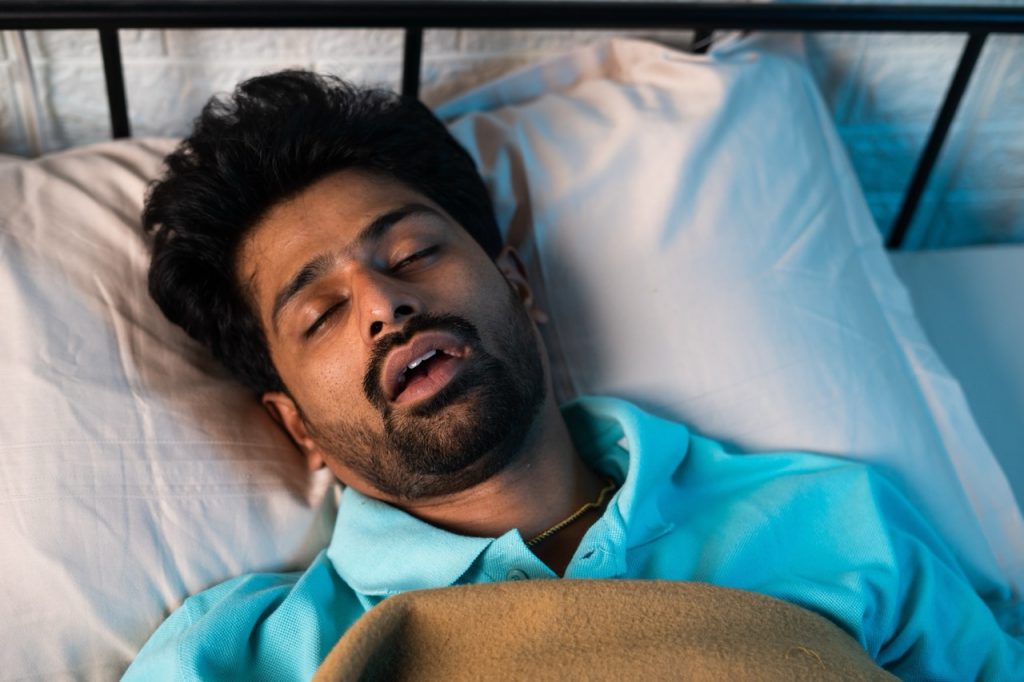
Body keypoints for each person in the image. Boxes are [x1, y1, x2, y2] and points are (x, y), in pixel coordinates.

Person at [125, 70, 1022, 680]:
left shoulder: (834, 522)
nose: (383, 306)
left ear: (517, 285)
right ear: (297, 428)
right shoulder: (241, 652)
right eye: (320, 313)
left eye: (411, 251)